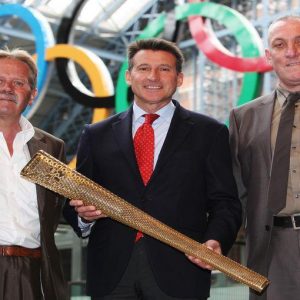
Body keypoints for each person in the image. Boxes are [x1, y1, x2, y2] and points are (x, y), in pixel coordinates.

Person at [63, 38, 242, 300]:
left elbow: (226, 202)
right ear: (128, 76)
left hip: (181, 272)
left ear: (179, 78)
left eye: (164, 69)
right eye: (144, 68)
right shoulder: (96, 134)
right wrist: (84, 215)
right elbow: (74, 197)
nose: (153, 77)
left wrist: (215, 239)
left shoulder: (210, 133)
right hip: (111, 272)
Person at [229, 15, 300, 300]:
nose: (291, 52)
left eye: (299, 42)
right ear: (269, 56)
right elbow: (233, 194)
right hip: (272, 250)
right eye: (280, 45)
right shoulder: (243, 118)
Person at [0, 48, 67, 299]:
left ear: (32, 95)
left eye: (18, 82)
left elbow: (55, 211)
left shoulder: (52, 147)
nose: (7, 88)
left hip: (35, 273)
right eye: (0, 81)